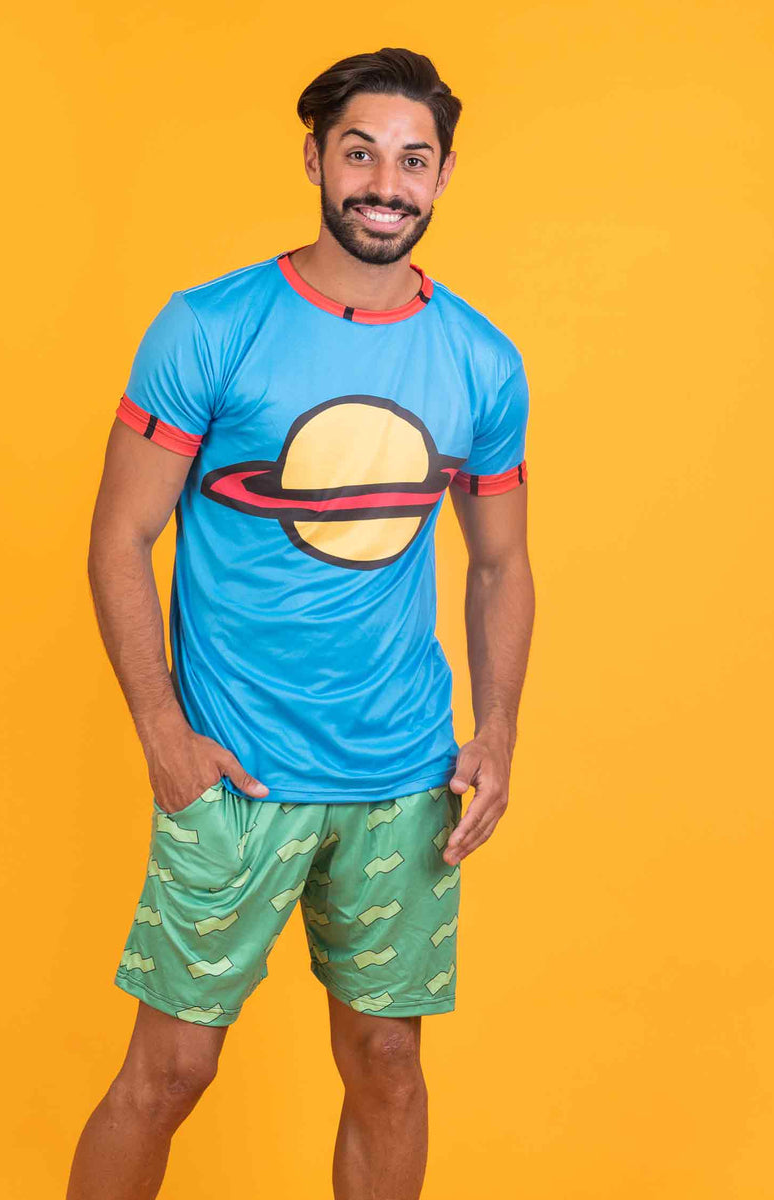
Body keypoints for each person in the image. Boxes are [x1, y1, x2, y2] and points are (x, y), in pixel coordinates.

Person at [68, 44, 535, 1200]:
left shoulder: (481, 359)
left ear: (444, 174)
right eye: (361, 153)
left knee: (388, 1065)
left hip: (402, 777)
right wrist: (162, 734)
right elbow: (121, 535)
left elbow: (500, 563)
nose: (386, 183)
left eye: (413, 160)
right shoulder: (210, 327)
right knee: (169, 1075)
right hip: (237, 775)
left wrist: (497, 734)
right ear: (317, 157)